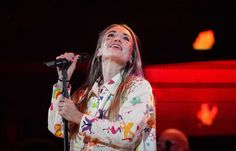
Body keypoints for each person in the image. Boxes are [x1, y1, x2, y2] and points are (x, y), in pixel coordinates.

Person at [48, 24, 156, 151]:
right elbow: (58, 128)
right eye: (111, 35)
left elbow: (127, 135)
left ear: (131, 57)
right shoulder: (84, 95)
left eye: (125, 38)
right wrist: (62, 81)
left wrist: (78, 117)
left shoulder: (138, 87)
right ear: (99, 50)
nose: (117, 39)